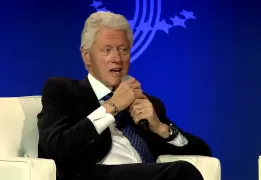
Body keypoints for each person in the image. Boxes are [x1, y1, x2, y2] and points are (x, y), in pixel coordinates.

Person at [37, 11, 212, 180]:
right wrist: (111, 107)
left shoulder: (147, 103)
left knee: (183, 171)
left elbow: (203, 151)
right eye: (107, 50)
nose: (117, 59)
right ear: (86, 55)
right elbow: (57, 150)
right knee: (180, 172)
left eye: (123, 50)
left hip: (148, 173)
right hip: (95, 174)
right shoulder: (63, 90)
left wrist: (161, 128)